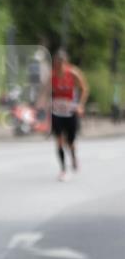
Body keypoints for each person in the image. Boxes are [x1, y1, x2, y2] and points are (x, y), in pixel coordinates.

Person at [42, 48, 89, 180]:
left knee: (71, 142)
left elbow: (85, 88)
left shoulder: (73, 73)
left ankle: (73, 157)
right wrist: (45, 104)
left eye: (61, 63)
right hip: (57, 112)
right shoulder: (52, 75)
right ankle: (63, 170)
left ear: (66, 62)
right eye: (57, 63)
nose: (59, 66)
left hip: (71, 112)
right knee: (59, 141)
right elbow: (45, 91)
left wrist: (80, 105)